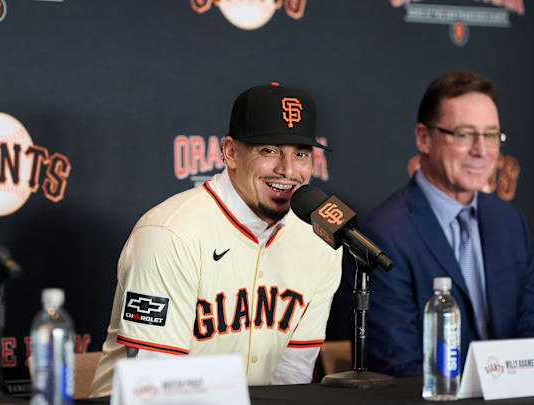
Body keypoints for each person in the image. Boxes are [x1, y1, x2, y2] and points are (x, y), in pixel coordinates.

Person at [90, 83, 342, 396]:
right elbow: (154, 383)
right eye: (270, 150)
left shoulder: (321, 240)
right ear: (230, 152)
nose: (287, 170)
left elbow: (293, 376)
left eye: (301, 154)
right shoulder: (169, 234)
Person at [344, 71, 534, 377]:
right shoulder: (384, 233)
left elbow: (529, 334)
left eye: (490, 135)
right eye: (464, 134)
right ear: (423, 138)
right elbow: (396, 367)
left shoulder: (509, 223)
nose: (482, 150)